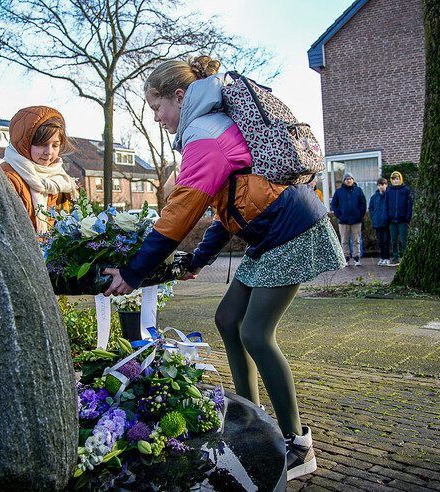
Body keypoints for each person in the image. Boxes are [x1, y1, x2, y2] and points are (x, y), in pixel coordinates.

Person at [102, 55, 345, 480]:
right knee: (227, 318)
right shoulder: (209, 128)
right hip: (268, 233)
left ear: (179, 97)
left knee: (254, 332)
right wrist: (196, 260)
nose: (157, 118)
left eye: (156, 107)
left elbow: (182, 210)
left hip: (291, 230)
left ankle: (298, 444)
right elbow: (224, 210)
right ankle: (251, 422)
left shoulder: (205, 135)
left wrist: (134, 272)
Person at [2, 106, 77, 233]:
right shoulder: (8, 177)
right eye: (42, 144)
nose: (49, 152)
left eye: (55, 145)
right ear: (24, 144)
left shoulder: (57, 179)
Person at [330, 172, 366, 266]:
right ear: (344, 181)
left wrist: (359, 215)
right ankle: (346, 259)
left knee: (356, 241)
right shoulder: (339, 192)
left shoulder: (358, 190)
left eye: (350, 179)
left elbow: (363, 204)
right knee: (344, 241)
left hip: (356, 221)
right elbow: (334, 205)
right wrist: (339, 215)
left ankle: (357, 258)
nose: (349, 180)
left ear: (353, 180)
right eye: (347, 179)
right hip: (343, 221)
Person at [385, 171, 413, 266]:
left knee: (404, 240)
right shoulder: (389, 191)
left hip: (402, 220)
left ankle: (406, 258)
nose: (395, 181)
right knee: (393, 240)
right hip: (392, 220)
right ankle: (395, 257)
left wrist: (407, 218)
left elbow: (409, 205)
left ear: (400, 179)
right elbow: (386, 205)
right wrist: (388, 217)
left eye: (397, 179)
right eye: (393, 179)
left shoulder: (406, 190)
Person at [369, 177, 390, 265]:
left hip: (386, 223)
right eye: (379, 185)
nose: (381, 187)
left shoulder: (389, 195)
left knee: (386, 241)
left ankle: (387, 258)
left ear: (386, 185)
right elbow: (371, 208)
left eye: (383, 185)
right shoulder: (374, 197)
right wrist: (373, 217)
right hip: (377, 223)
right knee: (380, 241)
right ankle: (381, 257)